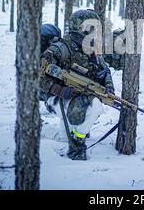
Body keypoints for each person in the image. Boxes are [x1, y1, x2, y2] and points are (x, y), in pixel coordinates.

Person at [39, 10, 115, 160]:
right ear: (82, 28)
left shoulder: (90, 49)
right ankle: (77, 142)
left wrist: (109, 85)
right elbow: (37, 76)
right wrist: (59, 90)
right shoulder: (61, 49)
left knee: (63, 136)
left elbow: (105, 70)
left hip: (79, 95)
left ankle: (40, 128)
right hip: (56, 97)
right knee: (95, 107)